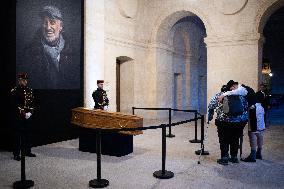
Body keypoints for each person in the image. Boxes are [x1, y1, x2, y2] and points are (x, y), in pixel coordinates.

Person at [22, 5, 79, 89]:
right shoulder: (29, 52)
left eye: (52, 22)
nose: (48, 27)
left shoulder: (73, 52)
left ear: (61, 26)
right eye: (45, 23)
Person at [208, 85, 248, 165]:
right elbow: (246, 107)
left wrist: (210, 116)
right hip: (238, 122)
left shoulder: (218, 95)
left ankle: (224, 158)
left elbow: (211, 106)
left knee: (223, 139)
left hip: (223, 122)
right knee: (235, 138)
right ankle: (234, 157)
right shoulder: (239, 96)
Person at [10, 73, 36, 161]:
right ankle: (16, 154)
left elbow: (32, 103)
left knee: (28, 134)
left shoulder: (30, 90)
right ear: (19, 81)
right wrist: (24, 113)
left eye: (26, 80)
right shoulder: (15, 91)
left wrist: (30, 112)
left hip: (28, 116)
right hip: (19, 117)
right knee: (17, 136)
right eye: (23, 80)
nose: (25, 81)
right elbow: (16, 104)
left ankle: (27, 151)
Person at [241, 93, 266, 162]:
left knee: (253, 138)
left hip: (254, 126)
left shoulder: (252, 106)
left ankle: (252, 156)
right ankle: (259, 153)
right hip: (261, 125)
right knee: (260, 137)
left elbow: (248, 116)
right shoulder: (261, 106)